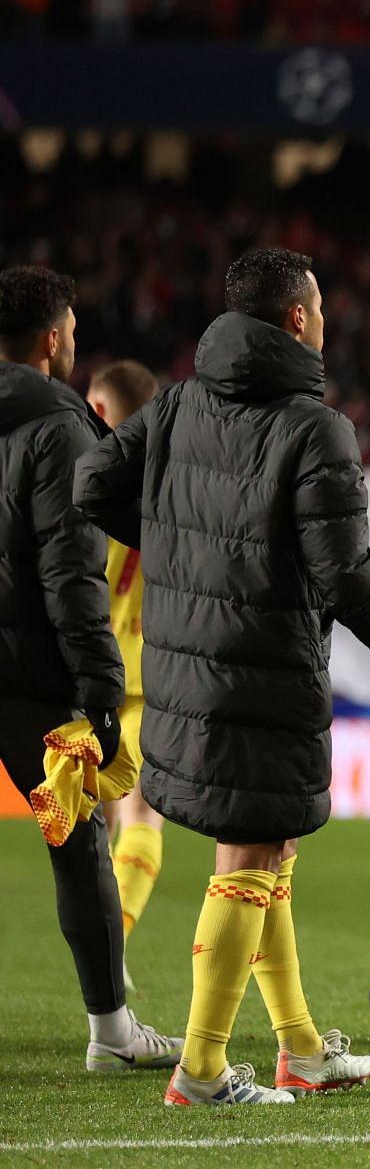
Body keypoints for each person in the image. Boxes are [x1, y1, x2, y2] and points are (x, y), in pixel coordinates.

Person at [75, 247, 370, 1106]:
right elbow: (346, 569)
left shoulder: (175, 405)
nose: (323, 319)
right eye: (317, 307)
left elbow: (93, 479)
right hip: (260, 672)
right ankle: (201, 1070)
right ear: (294, 320)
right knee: (249, 855)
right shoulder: (314, 428)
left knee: (266, 846)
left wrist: (182, 551)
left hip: (184, 667)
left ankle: (301, 1049)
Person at [0, 266, 179, 1075]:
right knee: (76, 842)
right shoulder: (60, 423)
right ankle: (111, 1032)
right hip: (32, 681)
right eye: (70, 327)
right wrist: (100, 691)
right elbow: (71, 573)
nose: (73, 338)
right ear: (51, 339)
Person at [84, 360, 165, 987]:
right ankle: (118, 943)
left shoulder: (83, 483)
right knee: (140, 819)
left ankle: (105, 952)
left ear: (106, 412)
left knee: (100, 823)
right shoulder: (171, 485)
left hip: (86, 676)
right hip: (151, 678)